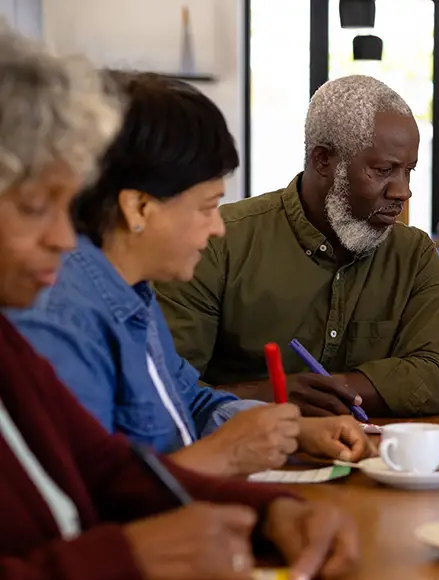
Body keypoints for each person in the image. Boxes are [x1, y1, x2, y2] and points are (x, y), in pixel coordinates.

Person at [0, 30, 357, 580]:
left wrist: (270, 510)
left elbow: (104, 466)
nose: (60, 237)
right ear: (137, 208)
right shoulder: (52, 312)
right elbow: (89, 519)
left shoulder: (41, 328)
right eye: (32, 208)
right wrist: (123, 557)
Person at [8, 73, 372, 478]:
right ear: (139, 208)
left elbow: (188, 400)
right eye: (206, 207)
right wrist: (227, 456)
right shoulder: (62, 317)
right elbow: (86, 496)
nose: (217, 227)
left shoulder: (134, 293)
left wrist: (293, 430)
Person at [156, 75, 439, 418]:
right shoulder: (218, 241)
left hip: (382, 461)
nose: (403, 192)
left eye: (409, 171)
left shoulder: (413, 254)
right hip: (244, 459)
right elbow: (163, 390)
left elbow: (438, 376)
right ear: (323, 160)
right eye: (384, 170)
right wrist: (274, 394)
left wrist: (325, 390)